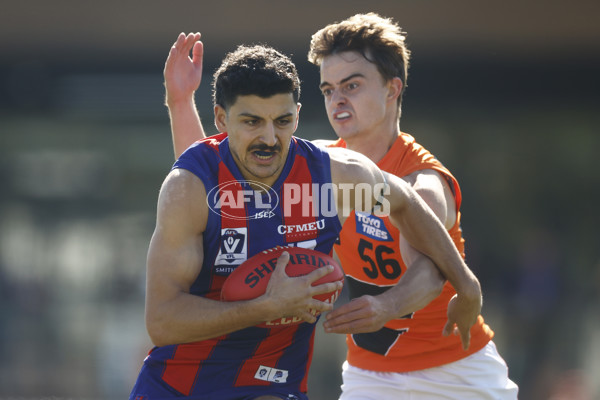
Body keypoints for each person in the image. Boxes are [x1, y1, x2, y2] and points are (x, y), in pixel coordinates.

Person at [130, 40, 482, 400]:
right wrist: (265, 307)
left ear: (297, 115)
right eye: (252, 122)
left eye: (282, 122)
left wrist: (467, 285)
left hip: (273, 382)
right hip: (178, 385)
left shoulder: (333, 181)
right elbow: (162, 321)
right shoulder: (188, 189)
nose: (269, 138)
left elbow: (405, 203)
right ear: (222, 120)